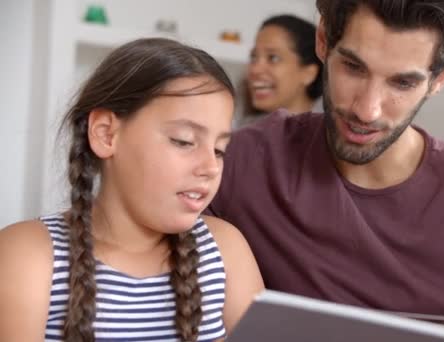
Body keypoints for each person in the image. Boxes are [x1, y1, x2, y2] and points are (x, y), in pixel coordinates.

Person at [207, 0, 444, 339]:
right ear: (323, 41)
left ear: (441, 77)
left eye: (402, 83)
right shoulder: (243, 160)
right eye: (353, 67)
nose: (367, 109)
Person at [0, 38, 264, 342]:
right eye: (183, 141)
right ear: (106, 134)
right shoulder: (29, 256)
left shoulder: (223, 251)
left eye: (219, 149)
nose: (210, 166)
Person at [237, 14, 323, 127]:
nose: (255, 69)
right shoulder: (243, 132)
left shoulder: (330, 135)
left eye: (273, 58)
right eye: (254, 57)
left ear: (309, 74)